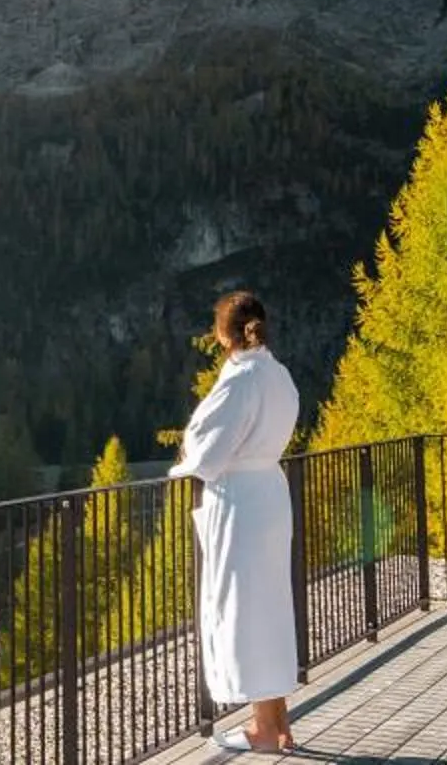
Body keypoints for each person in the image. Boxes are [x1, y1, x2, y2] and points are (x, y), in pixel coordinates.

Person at [168, 289, 302, 754]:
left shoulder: (241, 380)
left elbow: (207, 447)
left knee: (243, 611)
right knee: (269, 605)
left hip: (241, 501)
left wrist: (186, 460)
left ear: (223, 334)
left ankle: (264, 730)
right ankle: (279, 723)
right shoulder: (279, 376)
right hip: (270, 494)